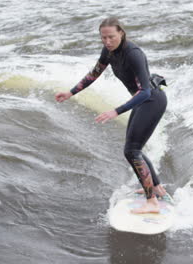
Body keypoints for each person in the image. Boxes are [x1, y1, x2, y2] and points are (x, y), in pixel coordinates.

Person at [55, 17, 172, 214]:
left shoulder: (133, 54)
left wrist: (115, 111)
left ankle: (151, 202)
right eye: (103, 38)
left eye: (111, 37)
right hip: (143, 101)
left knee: (132, 150)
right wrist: (71, 92)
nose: (108, 41)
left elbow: (145, 92)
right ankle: (157, 189)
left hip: (152, 101)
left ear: (121, 34)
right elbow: (94, 73)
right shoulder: (108, 52)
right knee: (134, 149)